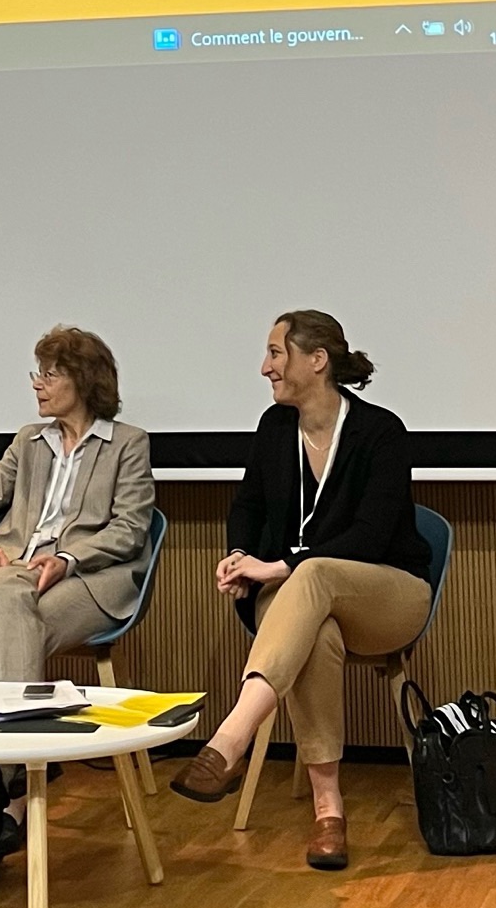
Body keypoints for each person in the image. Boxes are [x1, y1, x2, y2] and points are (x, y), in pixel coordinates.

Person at [171, 310, 432, 872]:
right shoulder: (274, 428)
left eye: (275, 353)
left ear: (316, 361)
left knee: (313, 574)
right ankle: (328, 812)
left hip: (386, 593)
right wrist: (240, 555)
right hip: (299, 600)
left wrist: (280, 565)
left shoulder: (380, 432)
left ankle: (232, 735)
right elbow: (248, 506)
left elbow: (371, 536)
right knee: (317, 633)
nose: (265, 368)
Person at [0, 326, 154, 850]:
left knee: (8, 617)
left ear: (82, 381)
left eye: (50, 374)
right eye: (37, 373)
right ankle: (25, 773)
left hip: (89, 579)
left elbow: (131, 528)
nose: (37, 384)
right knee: (7, 596)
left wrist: (67, 559)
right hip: (16, 573)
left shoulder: (127, 444)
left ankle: (10, 783)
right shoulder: (28, 442)